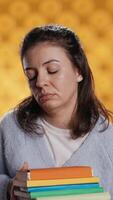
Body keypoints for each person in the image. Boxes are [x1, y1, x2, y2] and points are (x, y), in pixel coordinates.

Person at [0, 24, 113, 200]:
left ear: (78, 71)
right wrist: (8, 188)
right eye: (31, 75)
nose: (40, 82)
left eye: (52, 70)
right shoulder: (9, 127)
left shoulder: (108, 140)